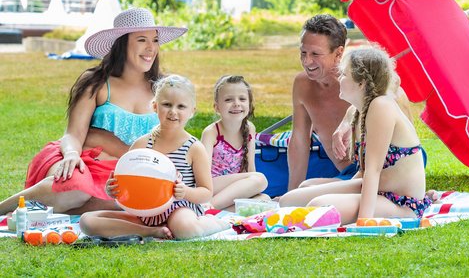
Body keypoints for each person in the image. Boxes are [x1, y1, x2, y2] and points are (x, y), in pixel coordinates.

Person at [0, 7, 187, 216]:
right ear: (121, 44)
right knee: (75, 190)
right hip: (82, 159)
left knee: (137, 204)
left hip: (126, 173)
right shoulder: (96, 83)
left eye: (155, 40)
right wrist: (71, 154)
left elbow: (173, 140)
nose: (151, 48)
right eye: (142, 40)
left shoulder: (162, 90)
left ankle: (40, 212)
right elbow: (73, 134)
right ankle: (4, 209)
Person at [279, 46, 431, 224]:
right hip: (376, 190)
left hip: (401, 203)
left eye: (344, 74)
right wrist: (340, 191)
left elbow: (372, 171)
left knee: (319, 205)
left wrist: (364, 222)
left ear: (361, 83)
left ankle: (370, 215)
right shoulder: (359, 111)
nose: (338, 78)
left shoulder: (381, 106)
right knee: (289, 200)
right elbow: (363, 171)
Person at [79, 75, 230, 240]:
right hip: (145, 211)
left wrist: (185, 192)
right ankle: (151, 232)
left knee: (185, 229)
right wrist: (114, 190)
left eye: (181, 106)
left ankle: (215, 223)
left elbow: (206, 192)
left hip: (179, 209)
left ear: (192, 111)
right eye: (166, 105)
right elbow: (127, 183)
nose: (173, 111)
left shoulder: (194, 148)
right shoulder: (142, 145)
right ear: (155, 106)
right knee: (88, 221)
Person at [287, 15, 354, 191]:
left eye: (315, 54)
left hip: (372, 175)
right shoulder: (303, 85)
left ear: (339, 53)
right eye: (303, 52)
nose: (307, 61)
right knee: (298, 194)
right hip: (347, 175)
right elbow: (299, 141)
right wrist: (291, 191)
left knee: (309, 196)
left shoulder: (356, 82)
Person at [200, 75, 268, 211]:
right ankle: (208, 207)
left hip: (234, 189)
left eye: (242, 99)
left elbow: (250, 168)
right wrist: (254, 180)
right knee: (260, 179)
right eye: (228, 99)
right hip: (211, 186)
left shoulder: (249, 128)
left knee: (264, 200)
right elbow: (203, 175)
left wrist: (252, 191)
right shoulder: (212, 132)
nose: (236, 103)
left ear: (249, 104)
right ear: (217, 107)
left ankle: (216, 210)